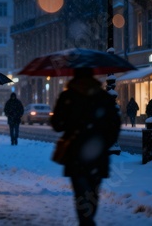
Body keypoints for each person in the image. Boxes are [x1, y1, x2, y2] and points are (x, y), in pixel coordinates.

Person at [51, 68, 121, 226]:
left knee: (81, 191)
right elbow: (115, 125)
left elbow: (57, 125)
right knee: (93, 191)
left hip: (75, 153)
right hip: (98, 153)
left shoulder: (67, 96)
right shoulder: (103, 97)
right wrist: (104, 143)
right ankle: (88, 219)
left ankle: (85, 221)